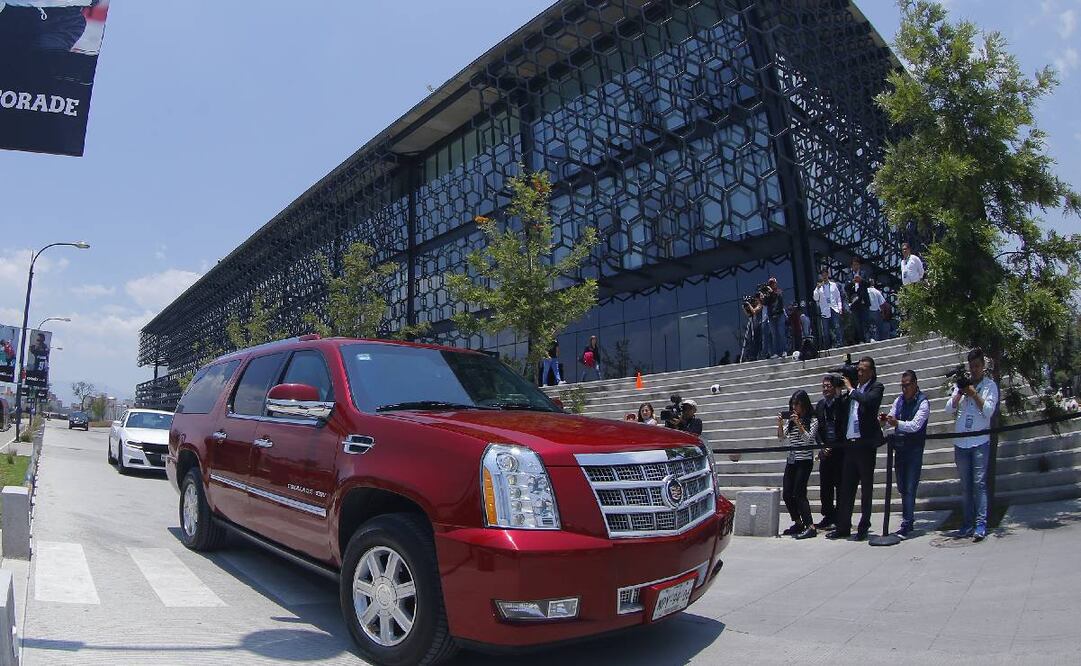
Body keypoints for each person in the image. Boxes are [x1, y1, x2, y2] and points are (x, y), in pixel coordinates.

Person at [945, 348, 999, 542]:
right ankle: (967, 523)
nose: (974, 370)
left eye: (977, 366)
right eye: (972, 366)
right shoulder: (961, 386)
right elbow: (947, 408)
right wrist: (960, 392)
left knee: (979, 483)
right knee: (966, 486)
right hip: (961, 443)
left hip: (980, 442)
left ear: (983, 366)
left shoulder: (990, 386)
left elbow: (988, 411)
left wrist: (974, 393)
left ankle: (981, 524)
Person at [827, 356, 884, 541]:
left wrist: (851, 389)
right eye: (858, 369)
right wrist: (840, 391)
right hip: (850, 445)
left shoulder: (876, 388)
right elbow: (841, 410)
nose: (859, 373)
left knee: (866, 488)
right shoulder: (853, 390)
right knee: (846, 488)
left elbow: (868, 402)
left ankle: (863, 526)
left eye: (863, 370)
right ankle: (843, 526)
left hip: (865, 445)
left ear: (871, 372)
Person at [885, 370, 930, 537]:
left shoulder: (923, 402)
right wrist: (886, 420)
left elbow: (915, 425)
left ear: (915, 384)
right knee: (902, 487)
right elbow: (892, 414)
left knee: (910, 487)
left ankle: (907, 521)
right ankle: (908, 519)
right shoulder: (899, 400)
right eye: (902, 386)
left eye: (907, 385)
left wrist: (897, 423)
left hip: (914, 450)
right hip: (900, 449)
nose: (904, 389)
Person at [777, 390, 819, 539]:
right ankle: (798, 522)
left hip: (804, 460)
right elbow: (781, 438)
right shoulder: (791, 421)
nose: (794, 407)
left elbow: (808, 440)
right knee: (787, 493)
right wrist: (780, 424)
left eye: (797, 404)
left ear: (804, 405)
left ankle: (810, 526)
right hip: (792, 460)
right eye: (792, 404)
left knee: (800, 493)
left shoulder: (813, 420)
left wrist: (799, 424)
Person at [815, 375, 846, 530]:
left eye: (829, 386)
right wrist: (822, 446)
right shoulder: (820, 405)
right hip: (825, 451)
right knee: (825, 487)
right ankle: (828, 516)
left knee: (839, 486)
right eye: (824, 386)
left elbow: (843, 427)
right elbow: (817, 430)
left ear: (834, 388)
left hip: (839, 450)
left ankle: (840, 517)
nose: (826, 389)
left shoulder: (841, 403)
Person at [813, 267, 843, 349]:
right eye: (823, 275)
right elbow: (815, 298)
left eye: (826, 275)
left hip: (834, 308)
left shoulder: (833, 285)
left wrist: (840, 308)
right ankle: (828, 346)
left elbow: (838, 297)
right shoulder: (819, 287)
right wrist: (817, 288)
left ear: (828, 275)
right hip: (825, 310)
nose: (824, 276)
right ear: (821, 276)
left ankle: (839, 343)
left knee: (837, 326)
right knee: (826, 330)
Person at [845, 258, 871, 344]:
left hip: (863, 300)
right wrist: (852, 282)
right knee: (857, 323)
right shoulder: (848, 276)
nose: (855, 266)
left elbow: (868, 284)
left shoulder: (863, 273)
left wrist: (861, 280)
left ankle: (868, 338)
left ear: (859, 265)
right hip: (854, 302)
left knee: (865, 321)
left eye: (856, 264)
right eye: (853, 265)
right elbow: (846, 287)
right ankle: (861, 340)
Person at [766, 277, 787, 358]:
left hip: (779, 315)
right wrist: (765, 295)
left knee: (781, 333)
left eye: (773, 283)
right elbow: (765, 303)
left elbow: (780, 299)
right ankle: (776, 353)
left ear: (776, 283)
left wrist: (772, 293)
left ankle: (784, 351)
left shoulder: (779, 291)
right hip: (771, 317)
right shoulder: (768, 294)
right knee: (774, 335)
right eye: (770, 284)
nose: (772, 285)